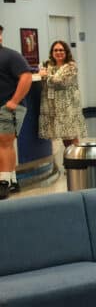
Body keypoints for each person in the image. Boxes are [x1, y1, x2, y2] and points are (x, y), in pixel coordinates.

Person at [0, 24, 33, 198]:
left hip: (8, 108)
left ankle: (3, 184)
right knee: (5, 145)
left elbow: (26, 77)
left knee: (3, 143)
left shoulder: (11, 56)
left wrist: (13, 101)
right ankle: (12, 182)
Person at [38, 40, 86, 148]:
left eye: (61, 50)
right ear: (52, 52)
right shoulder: (48, 65)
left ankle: (77, 161)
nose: (58, 52)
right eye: (55, 50)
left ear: (66, 51)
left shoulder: (71, 66)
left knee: (71, 134)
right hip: (52, 105)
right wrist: (43, 75)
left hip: (68, 105)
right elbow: (43, 78)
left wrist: (45, 76)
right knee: (64, 135)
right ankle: (69, 159)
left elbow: (60, 81)